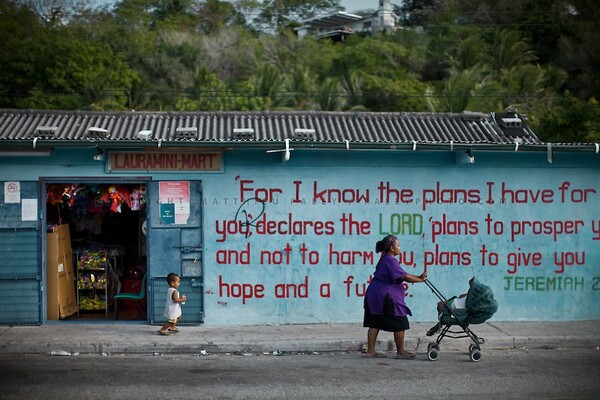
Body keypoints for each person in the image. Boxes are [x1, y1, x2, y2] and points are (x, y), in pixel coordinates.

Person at [363, 235, 427, 359]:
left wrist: (418, 277)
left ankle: (370, 351)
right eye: (397, 245)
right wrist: (419, 279)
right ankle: (401, 351)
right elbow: (402, 276)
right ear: (391, 248)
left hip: (374, 293)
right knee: (400, 320)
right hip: (384, 295)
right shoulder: (390, 260)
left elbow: (401, 274)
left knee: (375, 321)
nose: (399, 248)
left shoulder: (384, 258)